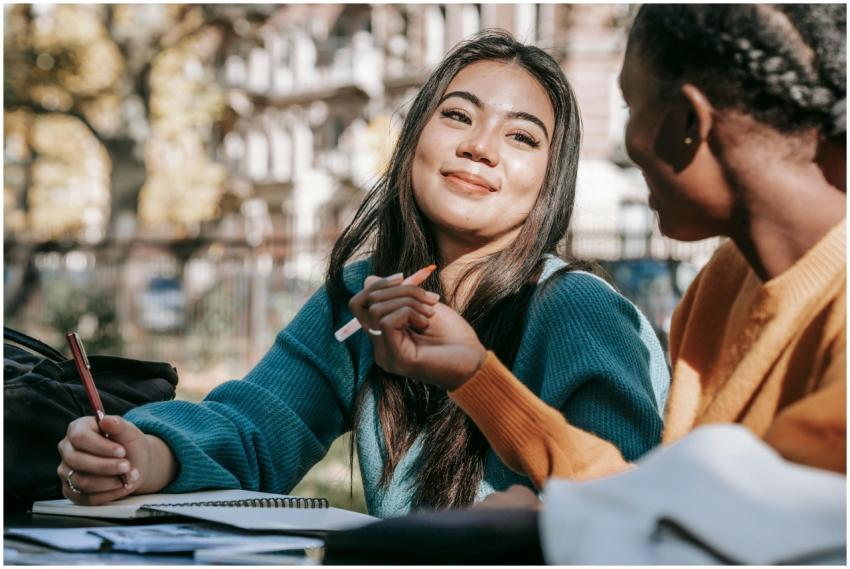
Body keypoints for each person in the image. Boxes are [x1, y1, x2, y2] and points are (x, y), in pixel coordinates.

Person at [55, 30, 670, 516]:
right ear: (413, 141)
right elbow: (256, 428)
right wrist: (147, 456)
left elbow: (627, 500)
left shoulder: (578, 310)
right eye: (457, 116)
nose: (480, 146)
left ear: (549, 185)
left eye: (521, 137)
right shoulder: (361, 295)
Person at [356, 3, 846, 497]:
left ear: (687, 123)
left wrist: (540, 533)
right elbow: (663, 502)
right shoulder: (725, 283)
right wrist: (474, 374)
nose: (626, 140)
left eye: (630, 109)